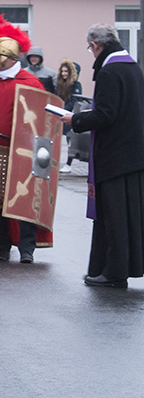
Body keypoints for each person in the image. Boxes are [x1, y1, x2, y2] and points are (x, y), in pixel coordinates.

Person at [60, 24, 144, 288]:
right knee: (128, 217)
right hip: (132, 155)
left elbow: (106, 115)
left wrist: (75, 119)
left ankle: (113, 272)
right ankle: (112, 268)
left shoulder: (109, 72)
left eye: (90, 48)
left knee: (113, 217)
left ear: (96, 45)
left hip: (114, 157)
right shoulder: (133, 67)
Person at [0, 15, 52, 263]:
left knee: (24, 200)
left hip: (23, 151)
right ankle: (2, 245)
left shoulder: (31, 83)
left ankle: (27, 248)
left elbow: (43, 120)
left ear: (10, 58)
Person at [57, 59, 82, 173]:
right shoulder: (59, 84)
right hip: (59, 113)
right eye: (62, 71)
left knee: (69, 141)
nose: (64, 74)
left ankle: (68, 163)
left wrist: (64, 108)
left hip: (69, 114)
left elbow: (75, 100)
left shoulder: (76, 85)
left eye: (66, 71)